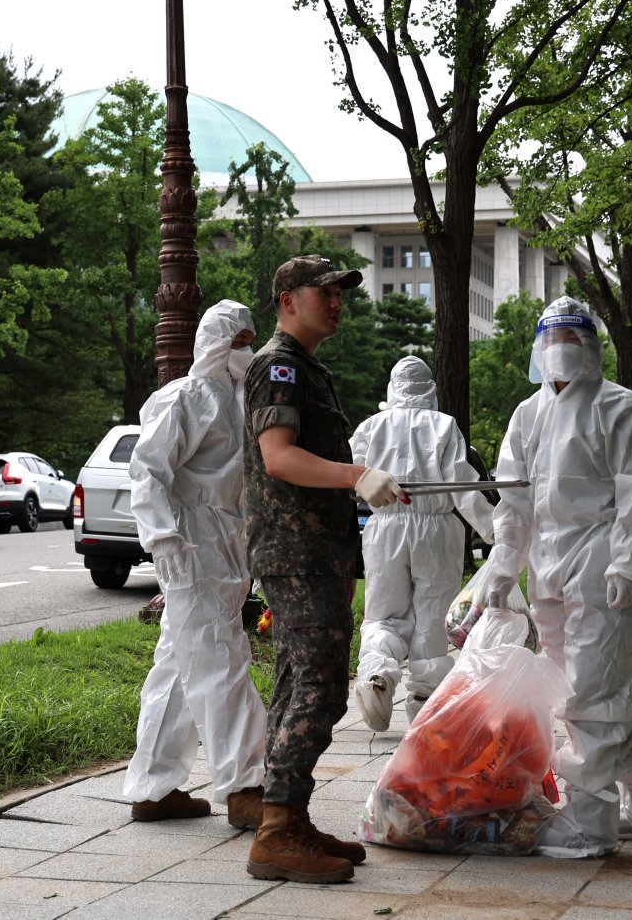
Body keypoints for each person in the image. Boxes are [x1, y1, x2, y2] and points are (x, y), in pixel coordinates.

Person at [487, 296, 632, 858]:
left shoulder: (623, 407)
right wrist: (504, 566)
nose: (561, 352)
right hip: (549, 564)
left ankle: (588, 820)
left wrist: (629, 561)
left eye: (572, 340)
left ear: (592, 347)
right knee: (585, 691)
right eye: (552, 341)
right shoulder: (528, 414)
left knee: (590, 695)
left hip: (600, 560)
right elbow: (514, 501)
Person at [243, 254, 408, 885]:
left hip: (316, 553)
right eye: (325, 291)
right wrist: (356, 476)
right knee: (320, 688)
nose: (337, 301)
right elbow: (279, 458)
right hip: (297, 554)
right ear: (287, 298)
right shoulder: (278, 365)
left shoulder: (305, 366)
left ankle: (289, 820)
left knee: (298, 686)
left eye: (341, 292)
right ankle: (277, 833)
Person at [123, 299, 269, 831]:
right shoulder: (186, 396)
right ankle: (248, 785)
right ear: (215, 342)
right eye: (239, 340)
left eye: (251, 339)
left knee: (180, 666)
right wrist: (162, 539)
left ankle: (153, 787)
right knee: (221, 659)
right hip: (192, 545)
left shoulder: (238, 399)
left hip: (223, 543)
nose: (247, 349)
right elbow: (148, 471)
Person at [350, 355, 495, 730]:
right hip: (437, 530)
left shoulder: (371, 427)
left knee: (384, 614)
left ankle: (376, 676)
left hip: (385, 528)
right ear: (430, 389)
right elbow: (462, 486)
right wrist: (496, 531)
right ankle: (425, 704)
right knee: (432, 617)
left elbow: (347, 474)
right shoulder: (444, 426)